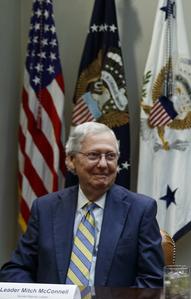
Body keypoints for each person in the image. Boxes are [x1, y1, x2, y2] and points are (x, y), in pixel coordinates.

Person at [0, 122, 163, 288]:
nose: (103, 164)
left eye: (110, 156)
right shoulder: (45, 208)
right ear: (71, 160)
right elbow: (16, 269)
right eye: (93, 155)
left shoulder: (140, 210)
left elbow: (152, 280)